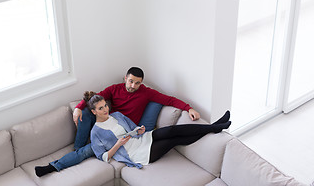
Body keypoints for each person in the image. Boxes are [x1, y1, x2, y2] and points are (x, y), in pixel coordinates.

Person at [35, 67, 201, 177]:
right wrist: (78, 107)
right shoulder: (114, 89)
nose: (133, 85)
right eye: (130, 81)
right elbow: (95, 98)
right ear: (125, 78)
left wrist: (189, 108)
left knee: (87, 152)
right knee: (85, 130)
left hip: (127, 130)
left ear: (141, 83)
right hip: (110, 128)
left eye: (137, 83)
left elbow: (169, 99)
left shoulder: (147, 93)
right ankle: (63, 158)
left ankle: (53, 166)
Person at [88, 93, 231, 167]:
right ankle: (215, 128)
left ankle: (214, 126)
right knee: (174, 141)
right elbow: (103, 157)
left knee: (171, 130)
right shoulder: (95, 132)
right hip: (137, 154)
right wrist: (118, 144)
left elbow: (133, 128)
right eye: (101, 108)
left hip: (143, 139)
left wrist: (139, 130)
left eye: (105, 105)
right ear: (94, 112)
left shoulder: (117, 115)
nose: (106, 109)